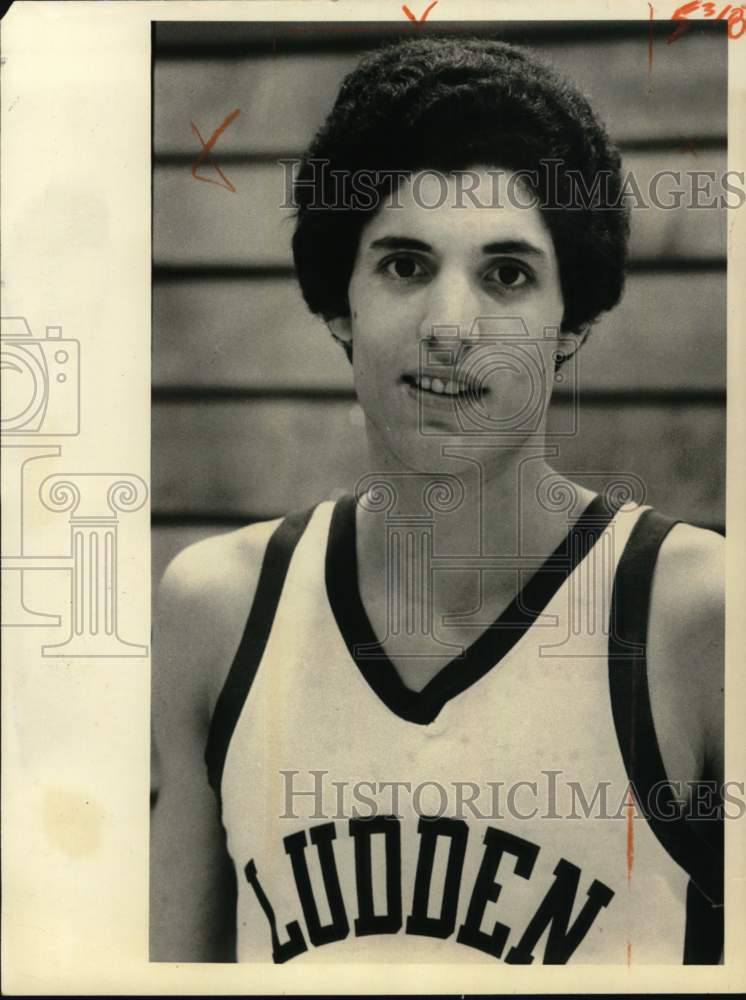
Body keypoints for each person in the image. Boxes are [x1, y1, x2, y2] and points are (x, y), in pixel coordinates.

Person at [150, 35, 724, 965]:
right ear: (339, 301)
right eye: (406, 265)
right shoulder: (221, 611)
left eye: (507, 274)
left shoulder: (695, 616)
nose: (451, 327)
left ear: (571, 321)